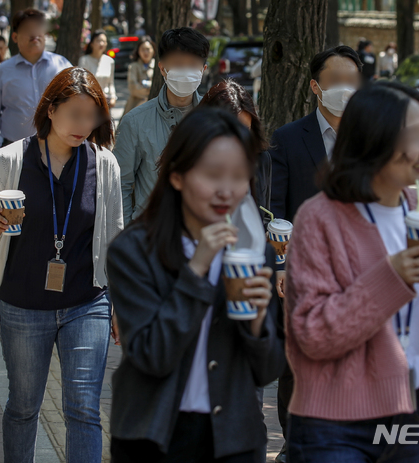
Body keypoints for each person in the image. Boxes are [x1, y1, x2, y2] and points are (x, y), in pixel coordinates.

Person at [284, 81, 419, 462]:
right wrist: (391, 277)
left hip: (404, 415)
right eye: (415, 134)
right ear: (374, 140)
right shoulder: (319, 218)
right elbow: (311, 332)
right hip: (331, 426)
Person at [107, 107, 286, 462]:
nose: (226, 190)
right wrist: (198, 267)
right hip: (153, 436)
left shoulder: (252, 252)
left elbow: (267, 370)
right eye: (212, 175)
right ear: (177, 176)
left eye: (238, 176)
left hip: (233, 439)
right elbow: (151, 355)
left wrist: (256, 322)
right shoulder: (134, 251)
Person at [0, 67, 123, 463]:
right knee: (24, 407)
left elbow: (114, 237)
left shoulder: (104, 164)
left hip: (86, 302)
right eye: (74, 113)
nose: (83, 125)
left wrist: (119, 304)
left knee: (83, 409)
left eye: (92, 115)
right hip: (22, 304)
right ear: (51, 109)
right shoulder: (10, 159)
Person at [268, 44, 362, 463]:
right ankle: (296, 440)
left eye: (352, 82)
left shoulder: (372, 139)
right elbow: (277, 212)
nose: (345, 90)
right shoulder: (289, 139)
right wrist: (281, 265)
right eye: (336, 81)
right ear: (315, 87)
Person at [114, 26, 209, 224]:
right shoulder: (135, 121)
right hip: (150, 237)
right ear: (162, 68)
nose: (185, 72)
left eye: (192, 65)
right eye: (178, 64)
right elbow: (120, 185)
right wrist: (126, 236)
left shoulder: (215, 118)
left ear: (204, 70)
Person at [0, 9, 71, 155]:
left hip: (57, 148)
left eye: (38, 28)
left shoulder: (62, 66)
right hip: (14, 149)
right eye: (28, 29)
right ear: (15, 37)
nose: (34, 33)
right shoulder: (3, 72)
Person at [199, 80, 271, 222]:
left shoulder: (261, 160)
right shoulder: (192, 164)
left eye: (245, 130)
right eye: (230, 131)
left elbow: (265, 215)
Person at [78, 30, 116, 107]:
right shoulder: (84, 60)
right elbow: (81, 83)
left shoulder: (110, 61)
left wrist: (113, 98)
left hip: (106, 102)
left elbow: (111, 83)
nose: (101, 43)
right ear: (91, 43)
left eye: (103, 41)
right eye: (98, 41)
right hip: (88, 102)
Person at [123, 35, 155, 115]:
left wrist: (145, 84)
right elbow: (133, 88)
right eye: (143, 49)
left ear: (153, 50)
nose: (145, 52)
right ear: (138, 51)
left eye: (148, 49)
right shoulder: (133, 67)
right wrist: (151, 89)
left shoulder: (159, 66)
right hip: (135, 107)